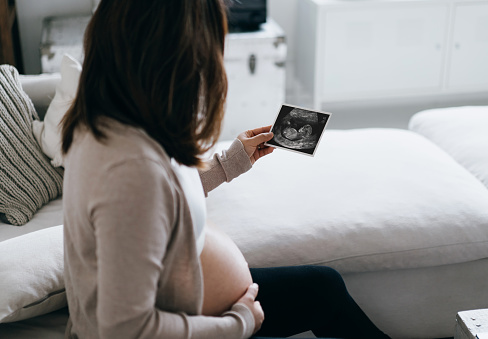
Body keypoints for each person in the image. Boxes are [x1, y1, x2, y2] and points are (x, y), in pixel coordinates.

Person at [60, 1, 391, 338]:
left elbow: (162, 203)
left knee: (325, 288)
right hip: (211, 323)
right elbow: (126, 331)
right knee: (323, 292)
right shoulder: (130, 170)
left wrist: (230, 162)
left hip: (195, 305)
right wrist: (239, 323)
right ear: (178, 60)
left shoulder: (112, 122)